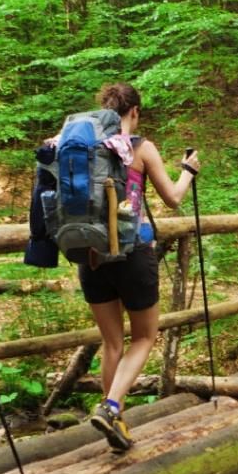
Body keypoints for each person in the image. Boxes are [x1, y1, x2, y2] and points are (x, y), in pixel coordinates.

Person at [80, 82, 198, 452]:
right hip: (133, 252)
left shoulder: (84, 147)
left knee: (112, 342)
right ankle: (112, 407)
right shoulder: (141, 148)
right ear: (134, 112)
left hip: (91, 254)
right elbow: (174, 198)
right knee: (145, 336)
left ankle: (116, 425)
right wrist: (189, 170)